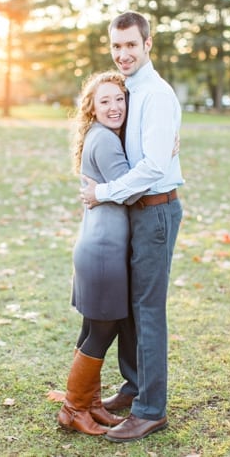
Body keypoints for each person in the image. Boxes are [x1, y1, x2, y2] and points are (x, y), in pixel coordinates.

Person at [80, 11, 184, 443]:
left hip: (155, 210)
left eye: (131, 46)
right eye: (116, 46)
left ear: (147, 45)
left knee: (147, 310)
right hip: (136, 211)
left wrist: (102, 193)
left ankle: (150, 409)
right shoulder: (130, 91)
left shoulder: (156, 94)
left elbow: (154, 166)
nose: (123, 54)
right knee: (132, 310)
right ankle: (135, 384)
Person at [58, 71, 135, 435]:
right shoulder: (105, 140)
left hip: (95, 248)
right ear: (91, 107)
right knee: (102, 330)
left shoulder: (97, 135)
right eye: (104, 101)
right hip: (104, 252)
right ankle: (74, 408)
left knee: (94, 327)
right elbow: (132, 191)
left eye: (119, 99)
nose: (114, 106)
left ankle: (90, 404)